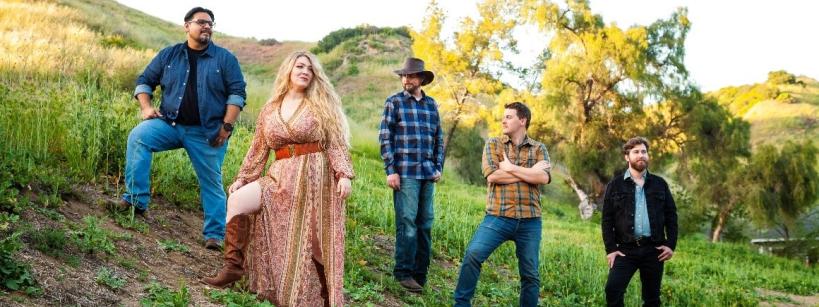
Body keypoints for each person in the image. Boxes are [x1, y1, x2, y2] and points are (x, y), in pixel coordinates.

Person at [202, 51, 354, 307]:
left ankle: (327, 298)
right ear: (289, 70)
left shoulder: (321, 105)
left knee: (317, 242)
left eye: (310, 69)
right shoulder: (270, 109)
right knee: (238, 200)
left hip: (314, 178)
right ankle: (233, 267)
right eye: (300, 66)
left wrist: (344, 174)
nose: (305, 71)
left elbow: (335, 143)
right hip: (279, 177)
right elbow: (258, 149)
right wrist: (243, 178)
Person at [115, 7, 246, 249]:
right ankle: (135, 200)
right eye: (201, 22)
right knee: (139, 137)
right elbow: (144, 81)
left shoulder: (225, 59)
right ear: (187, 26)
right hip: (170, 124)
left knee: (211, 181)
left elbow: (237, 94)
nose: (207, 26)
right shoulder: (169, 55)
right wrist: (146, 107)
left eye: (210, 23)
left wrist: (226, 126)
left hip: (207, 132)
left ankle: (215, 235)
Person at [453, 102, 551, 307]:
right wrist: (530, 172)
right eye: (504, 116)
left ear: (522, 120)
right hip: (498, 216)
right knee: (473, 254)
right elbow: (493, 176)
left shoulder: (539, 148)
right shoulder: (494, 144)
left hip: (530, 221)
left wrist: (510, 168)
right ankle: (461, 304)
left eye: (509, 117)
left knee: (530, 274)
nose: (503, 120)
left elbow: (543, 178)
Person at [379, 57, 444, 293]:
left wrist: (438, 167)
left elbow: (438, 138)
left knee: (425, 224)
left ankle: (420, 274)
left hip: (427, 173)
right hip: (405, 172)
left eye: (411, 75)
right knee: (407, 222)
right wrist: (391, 170)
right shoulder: (394, 102)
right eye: (404, 76)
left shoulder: (431, 105)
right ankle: (403, 273)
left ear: (421, 79)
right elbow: (385, 137)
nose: (406, 79)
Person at [601, 137, 678, 307]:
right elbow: (607, 219)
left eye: (644, 151)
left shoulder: (660, 184)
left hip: (654, 249)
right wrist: (611, 249)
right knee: (613, 290)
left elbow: (671, 215)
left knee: (652, 299)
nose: (641, 155)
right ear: (627, 157)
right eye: (636, 152)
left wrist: (670, 245)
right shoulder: (615, 185)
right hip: (625, 250)